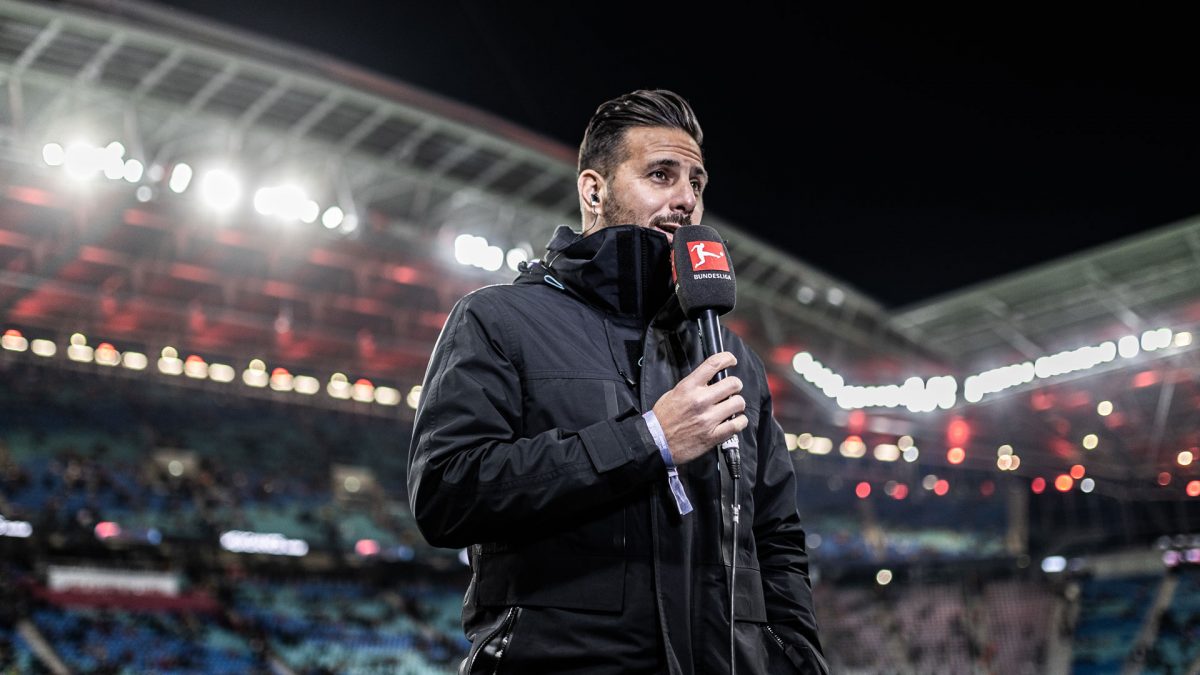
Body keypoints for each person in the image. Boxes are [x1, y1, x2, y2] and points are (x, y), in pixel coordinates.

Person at [408, 89, 827, 674]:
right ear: (593, 189)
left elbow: (777, 539)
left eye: (697, 184)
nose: (686, 200)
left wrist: (800, 662)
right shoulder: (497, 319)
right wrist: (650, 439)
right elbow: (446, 493)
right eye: (661, 175)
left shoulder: (731, 357)